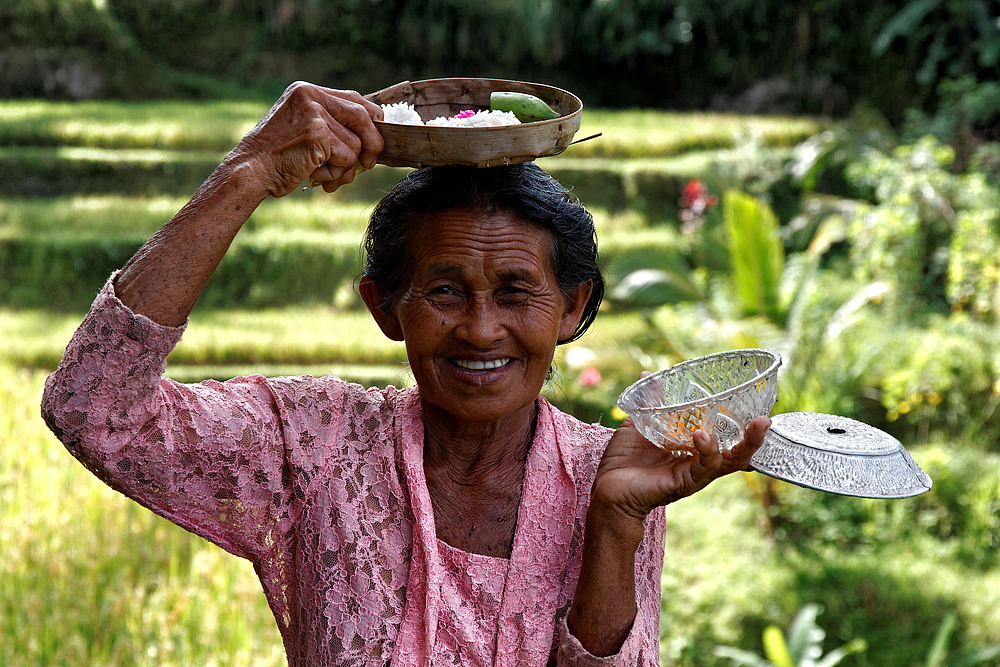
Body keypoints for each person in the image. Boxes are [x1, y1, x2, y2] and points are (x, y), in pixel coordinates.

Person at [41, 82, 770, 666]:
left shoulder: (607, 474)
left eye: (516, 291)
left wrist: (614, 525)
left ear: (572, 308)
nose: (481, 329)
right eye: (444, 291)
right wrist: (249, 171)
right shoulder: (316, 443)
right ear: (385, 307)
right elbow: (94, 408)